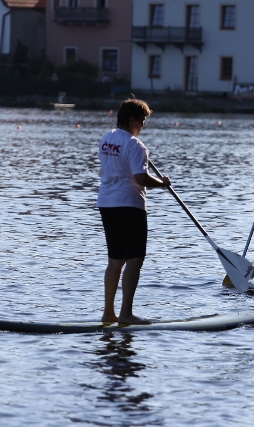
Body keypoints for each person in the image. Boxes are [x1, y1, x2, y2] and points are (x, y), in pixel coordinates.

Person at [97, 98, 171, 325]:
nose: (144, 125)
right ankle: (126, 314)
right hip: (129, 205)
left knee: (115, 261)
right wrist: (162, 183)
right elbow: (140, 178)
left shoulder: (106, 139)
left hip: (106, 203)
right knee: (134, 260)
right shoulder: (135, 145)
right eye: (142, 120)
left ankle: (108, 313)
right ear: (132, 120)